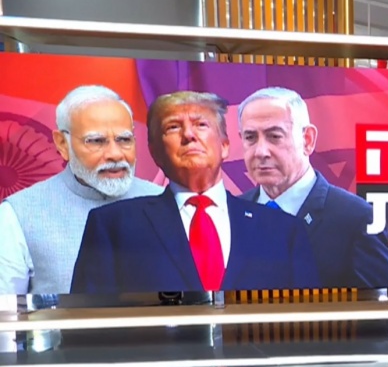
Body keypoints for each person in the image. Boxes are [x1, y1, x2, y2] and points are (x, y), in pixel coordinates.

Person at [70, 91, 320, 294]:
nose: (188, 135)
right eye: (173, 127)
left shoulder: (284, 230)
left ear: (225, 145)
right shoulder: (112, 227)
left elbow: (308, 323)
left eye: (201, 124)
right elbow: (90, 325)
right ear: (155, 152)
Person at [0, 85, 163, 295]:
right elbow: (6, 311)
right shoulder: (17, 214)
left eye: (124, 139)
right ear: (62, 144)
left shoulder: (164, 203)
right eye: (96, 141)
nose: (115, 154)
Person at [237, 87, 388, 289]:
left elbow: (378, 307)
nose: (261, 152)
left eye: (275, 136)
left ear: (307, 140)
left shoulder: (357, 220)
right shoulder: (230, 216)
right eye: (250, 138)